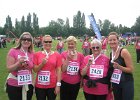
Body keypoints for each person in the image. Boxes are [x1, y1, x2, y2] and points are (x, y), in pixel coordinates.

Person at [6, 32, 34, 100]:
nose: (26, 41)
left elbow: (31, 69)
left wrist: (33, 84)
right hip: (14, 84)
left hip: (28, 84)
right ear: (20, 40)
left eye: (29, 39)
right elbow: (9, 69)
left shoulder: (32, 53)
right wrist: (18, 63)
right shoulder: (13, 51)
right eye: (24, 39)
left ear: (31, 42)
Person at [33, 35, 62, 100]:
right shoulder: (37, 54)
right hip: (40, 85)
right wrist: (42, 64)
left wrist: (58, 85)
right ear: (42, 42)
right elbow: (35, 70)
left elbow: (59, 70)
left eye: (50, 41)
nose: (48, 43)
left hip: (52, 85)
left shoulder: (57, 55)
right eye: (46, 41)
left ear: (52, 42)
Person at [108, 32, 134, 100]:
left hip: (126, 82)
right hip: (116, 82)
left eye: (114, 39)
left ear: (118, 40)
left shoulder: (123, 51)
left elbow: (131, 69)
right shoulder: (111, 53)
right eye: (110, 40)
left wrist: (120, 67)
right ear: (108, 41)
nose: (112, 41)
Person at [60, 36, 84, 100]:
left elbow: (81, 71)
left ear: (75, 44)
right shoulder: (63, 54)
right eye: (69, 44)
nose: (70, 45)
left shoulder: (80, 56)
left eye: (72, 44)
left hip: (76, 83)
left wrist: (81, 81)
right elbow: (63, 69)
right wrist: (67, 59)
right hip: (65, 82)